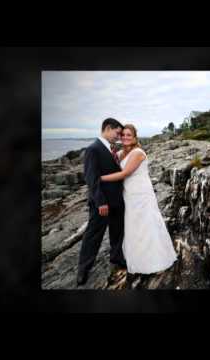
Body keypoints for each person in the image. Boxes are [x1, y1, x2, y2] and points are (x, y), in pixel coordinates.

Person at [100, 124, 177, 276]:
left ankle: (152, 260)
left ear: (135, 137)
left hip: (140, 193)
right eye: (123, 135)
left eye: (129, 135)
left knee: (145, 224)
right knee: (132, 225)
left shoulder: (138, 152)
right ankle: (133, 257)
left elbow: (125, 173)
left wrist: (100, 178)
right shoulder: (121, 153)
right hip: (128, 193)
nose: (125, 137)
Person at [77, 118, 126, 286]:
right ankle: (83, 269)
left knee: (117, 231)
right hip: (102, 203)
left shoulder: (112, 149)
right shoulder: (93, 149)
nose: (118, 137)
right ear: (107, 128)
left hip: (117, 200)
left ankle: (116, 257)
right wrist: (100, 202)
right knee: (93, 235)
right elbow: (91, 179)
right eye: (117, 133)